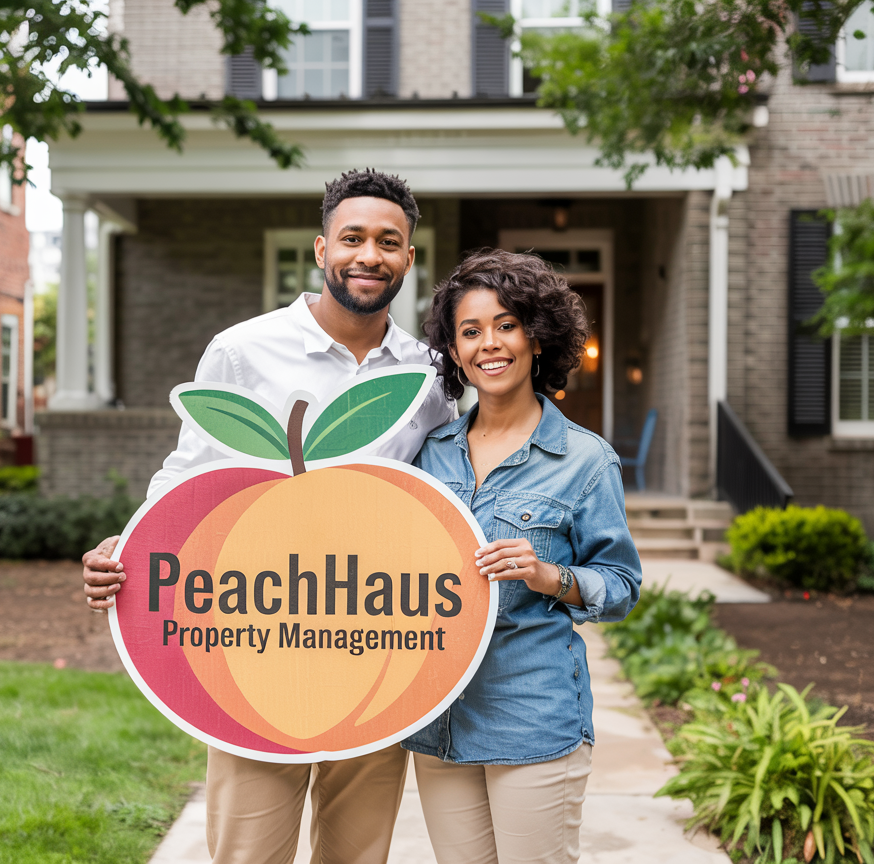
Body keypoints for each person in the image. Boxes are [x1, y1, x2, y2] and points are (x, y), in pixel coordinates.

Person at [81, 169, 456, 864]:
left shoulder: (429, 373)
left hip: (375, 643)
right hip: (260, 636)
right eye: (352, 238)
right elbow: (189, 473)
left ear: (408, 257)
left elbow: (441, 492)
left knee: (356, 857)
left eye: (388, 242)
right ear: (321, 250)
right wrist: (130, 543)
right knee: (248, 853)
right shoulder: (243, 350)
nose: (369, 255)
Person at [402, 249, 642, 864]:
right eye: (470, 331)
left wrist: (547, 575)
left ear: (536, 338)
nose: (489, 344)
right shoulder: (429, 454)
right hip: (440, 718)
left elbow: (621, 585)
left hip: (531, 716)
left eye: (506, 325)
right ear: (454, 351)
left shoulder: (586, 461)